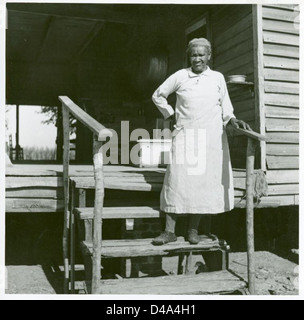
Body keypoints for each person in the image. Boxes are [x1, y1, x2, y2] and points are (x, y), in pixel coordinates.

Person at [151, 38, 251, 246]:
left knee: (200, 183)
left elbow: (226, 106)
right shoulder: (180, 75)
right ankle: (169, 231)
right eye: (194, 55)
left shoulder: (217, 78)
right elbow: (158, 95)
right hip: (185, 135)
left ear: (209, 56)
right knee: (176, 181)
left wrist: (232, 120)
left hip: (210, 138)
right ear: (190, 56)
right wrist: (170, 115)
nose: (197, 59)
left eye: (201, 54)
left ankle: (192, 231)